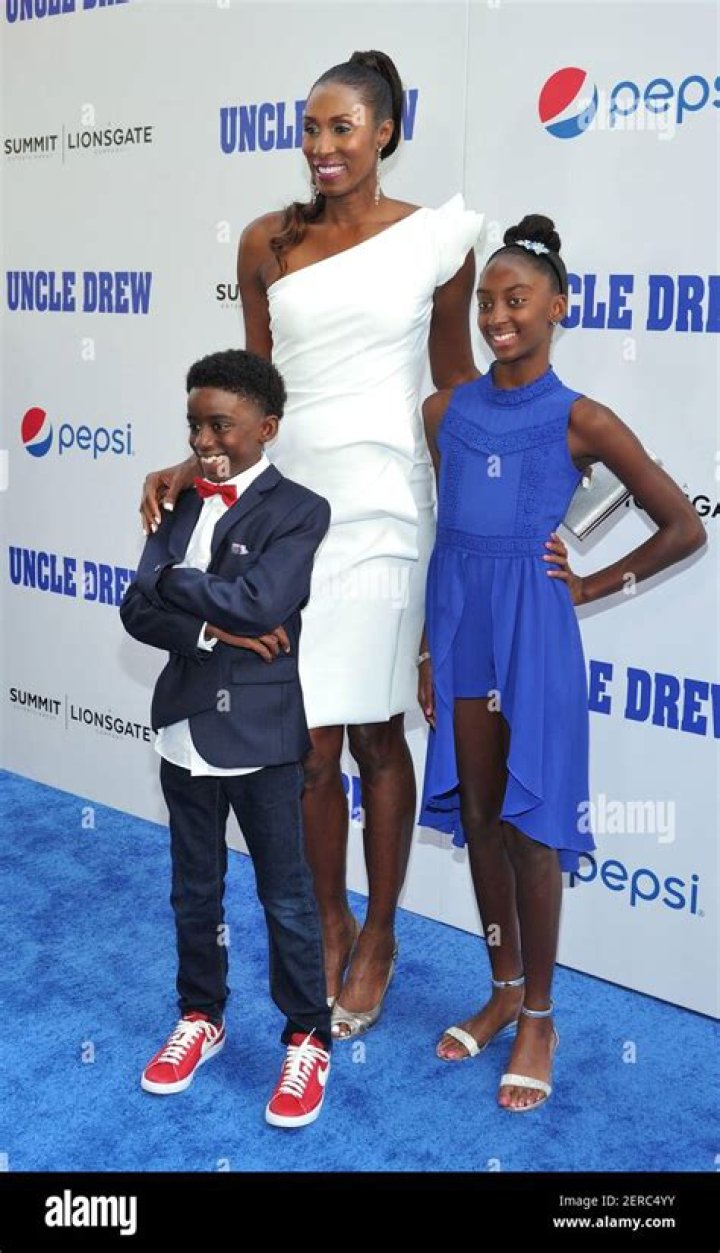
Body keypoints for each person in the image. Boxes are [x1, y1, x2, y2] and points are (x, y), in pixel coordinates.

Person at [140, 50, 485, 1039]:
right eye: (311, 128)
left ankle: (379, 932)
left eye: (343, 127)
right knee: (304, 741)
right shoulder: (266, 241)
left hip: (383, 509)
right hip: (286, 517)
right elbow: (252, 390)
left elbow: (452, 379)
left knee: (373, 729)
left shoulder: (434, 241)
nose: (322, 146)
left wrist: (524, 457)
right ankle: (327, 916)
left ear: (385, 133)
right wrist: (196, 461)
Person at [418, 215, 705, 1111]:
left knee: (532, 824)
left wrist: (593, 585)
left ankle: (540, 1013)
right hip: (462, 626)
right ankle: (503, 986)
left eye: (517, 300)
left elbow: (684, 527)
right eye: (486, 302)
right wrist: (428, 646)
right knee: (478, 814)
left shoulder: (584, 418)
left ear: (559, 308)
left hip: (534, 631)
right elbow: (449, 536)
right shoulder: (444, 412)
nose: (497, 317)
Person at [120, 349, 333, 1128]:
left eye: (221, 425)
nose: (204, 440)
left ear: (266, 428)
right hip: (183, 726)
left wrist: (174, 580)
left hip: (261, 735)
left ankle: (307, 1035)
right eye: (194, 425)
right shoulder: (176, 499)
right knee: (194, 889)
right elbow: (134, 609)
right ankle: (200, 1015)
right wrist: (212, 629)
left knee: (286, 894)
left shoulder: (302, 509)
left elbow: (262, 601)